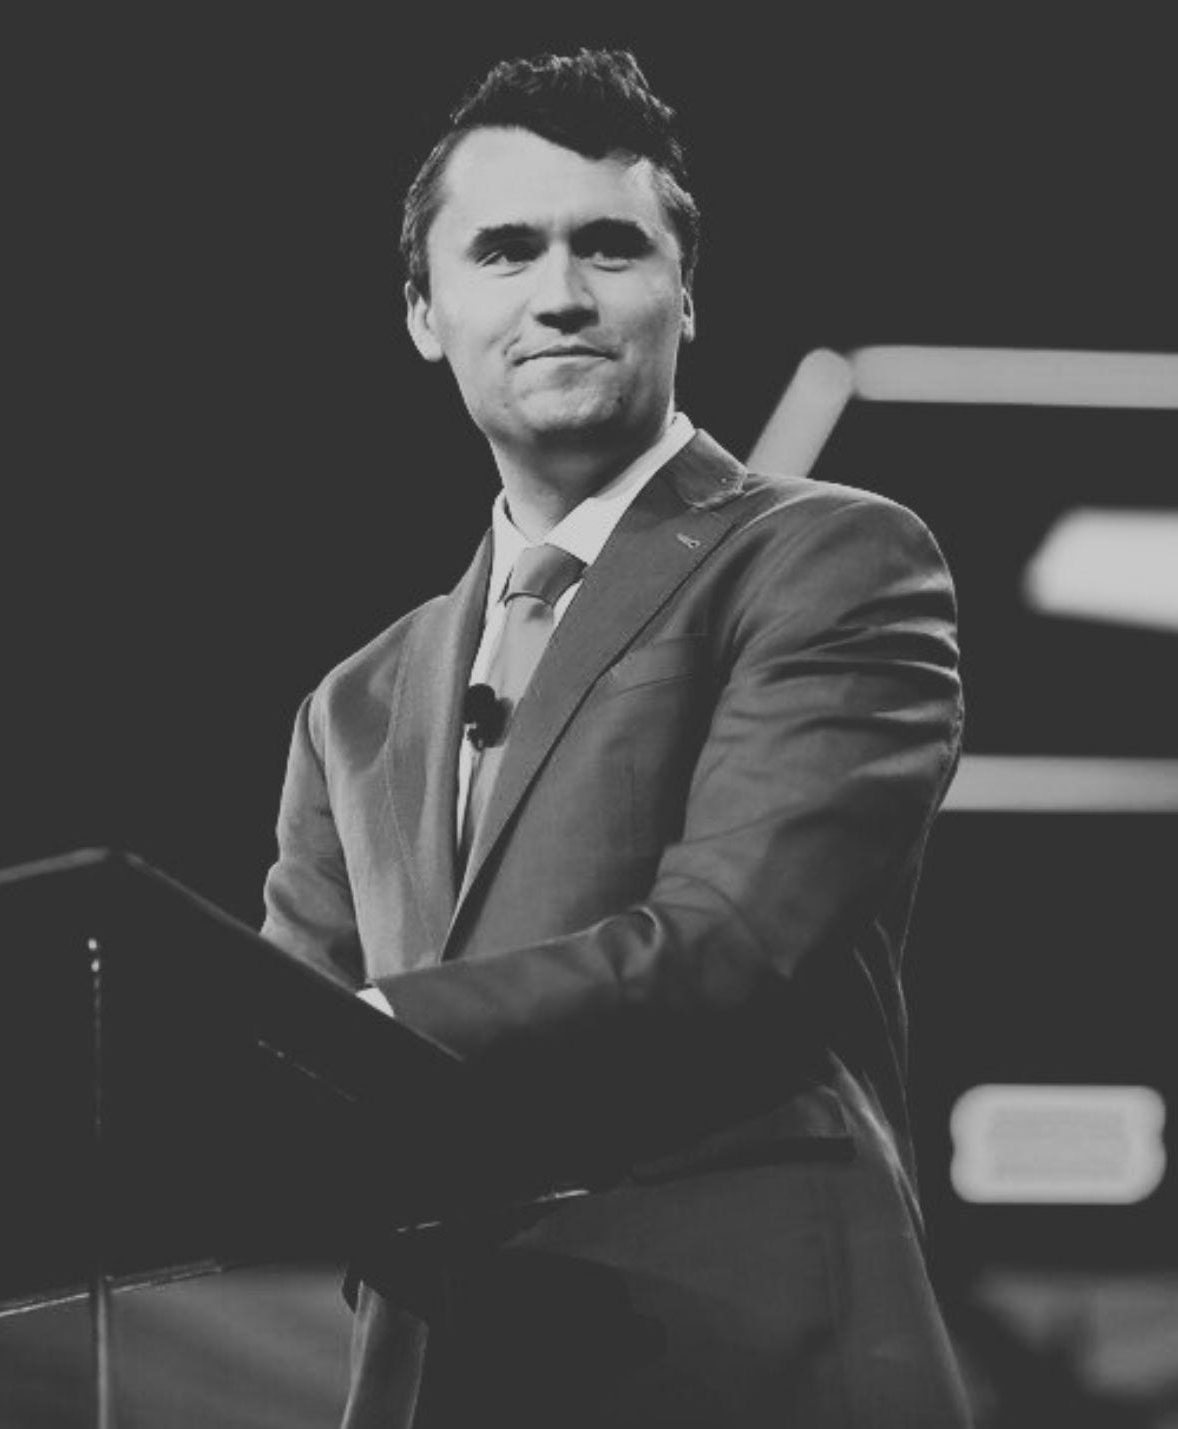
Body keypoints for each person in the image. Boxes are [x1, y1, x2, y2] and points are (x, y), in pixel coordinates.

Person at [261, 47, 971, 1428]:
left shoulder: (830, 557)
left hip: (739, 1363)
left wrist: (375, 1031)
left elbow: (732, 939)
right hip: (439, 1377)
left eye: (610, 246)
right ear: (424, 313)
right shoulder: (356, 702)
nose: (562, 294)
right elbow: (283, 1060)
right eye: (504, 250)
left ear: (684, 294)